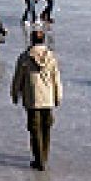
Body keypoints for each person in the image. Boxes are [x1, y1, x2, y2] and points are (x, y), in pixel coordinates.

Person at [11, 26, 63, 171]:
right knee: (46, 128)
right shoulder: (51, 57)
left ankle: (39, 159)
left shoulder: (25, 57)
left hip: (32, 99)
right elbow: (56, 78)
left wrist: (15, 93)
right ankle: (43, 157)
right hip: (48, 98)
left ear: (32, 40)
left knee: (35, 129)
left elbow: (18, 78)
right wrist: (58, 96)